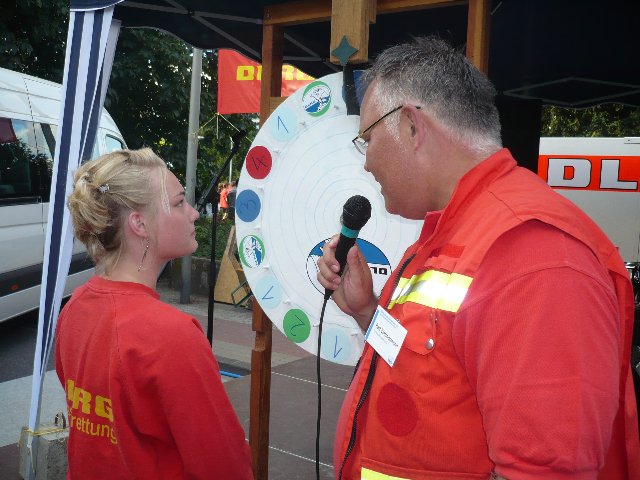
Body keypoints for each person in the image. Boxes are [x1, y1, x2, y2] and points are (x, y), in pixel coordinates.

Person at [317, 37, 640, 480]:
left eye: (368, 140)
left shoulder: (533, 254)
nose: (367, 164)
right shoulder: (456, 228)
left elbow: (545, 470)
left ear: (411, 126)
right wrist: (365, 310)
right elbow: (422, 358)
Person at [56, 148, 253, 479]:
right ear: (139, 223)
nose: (194, 213)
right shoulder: (172, 335)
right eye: (179, 203)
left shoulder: (75, 307)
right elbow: (224, 466)